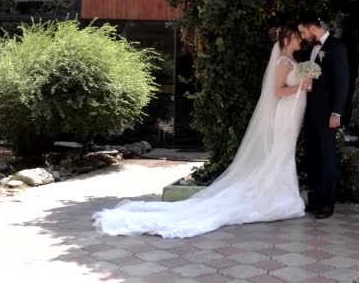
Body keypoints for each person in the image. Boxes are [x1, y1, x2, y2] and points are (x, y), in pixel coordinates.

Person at [92, 25, 312, 238]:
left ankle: (281, 195)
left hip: (292, 115)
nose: (299, 40)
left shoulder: (293, 61)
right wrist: (301, 86)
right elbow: (277, 90)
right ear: (286, 40)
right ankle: (279, 198)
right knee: (280, 152)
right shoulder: (283, 62)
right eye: (296, 37)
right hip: (285, 115)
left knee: (284, 152)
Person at [297, 13, 349, 219]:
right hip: (309, 112)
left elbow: (342, 82)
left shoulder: (337, 48)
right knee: (312, 154)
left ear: (312, 29)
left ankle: (327, 203)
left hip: (328, 113)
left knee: (326, 156)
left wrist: (337, 112)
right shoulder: (310, 50)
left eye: (302, 32)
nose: (302, 37)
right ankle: (316, 198)